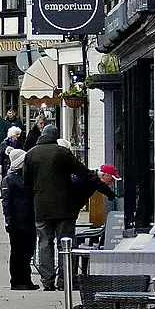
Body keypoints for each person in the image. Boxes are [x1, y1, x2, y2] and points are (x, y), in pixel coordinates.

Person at [23, 124, 113, 294]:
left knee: (44, 243)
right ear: (56, 137)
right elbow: (82, 173)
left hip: (41, 207)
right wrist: (101, 184)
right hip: (65, 207)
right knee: (66, 244)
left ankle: (47, 280)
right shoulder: (62, 153)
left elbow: (26, 183)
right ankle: (65, 280)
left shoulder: (31, 154)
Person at [1, 142, 38, 290]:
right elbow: (6, 202)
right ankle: (17, 280)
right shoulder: (9, 180)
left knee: (28, 250)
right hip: (18, 220)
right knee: (18, 251)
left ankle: (26, 279)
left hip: (29, 218)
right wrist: (8, 221)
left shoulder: (28, 177)